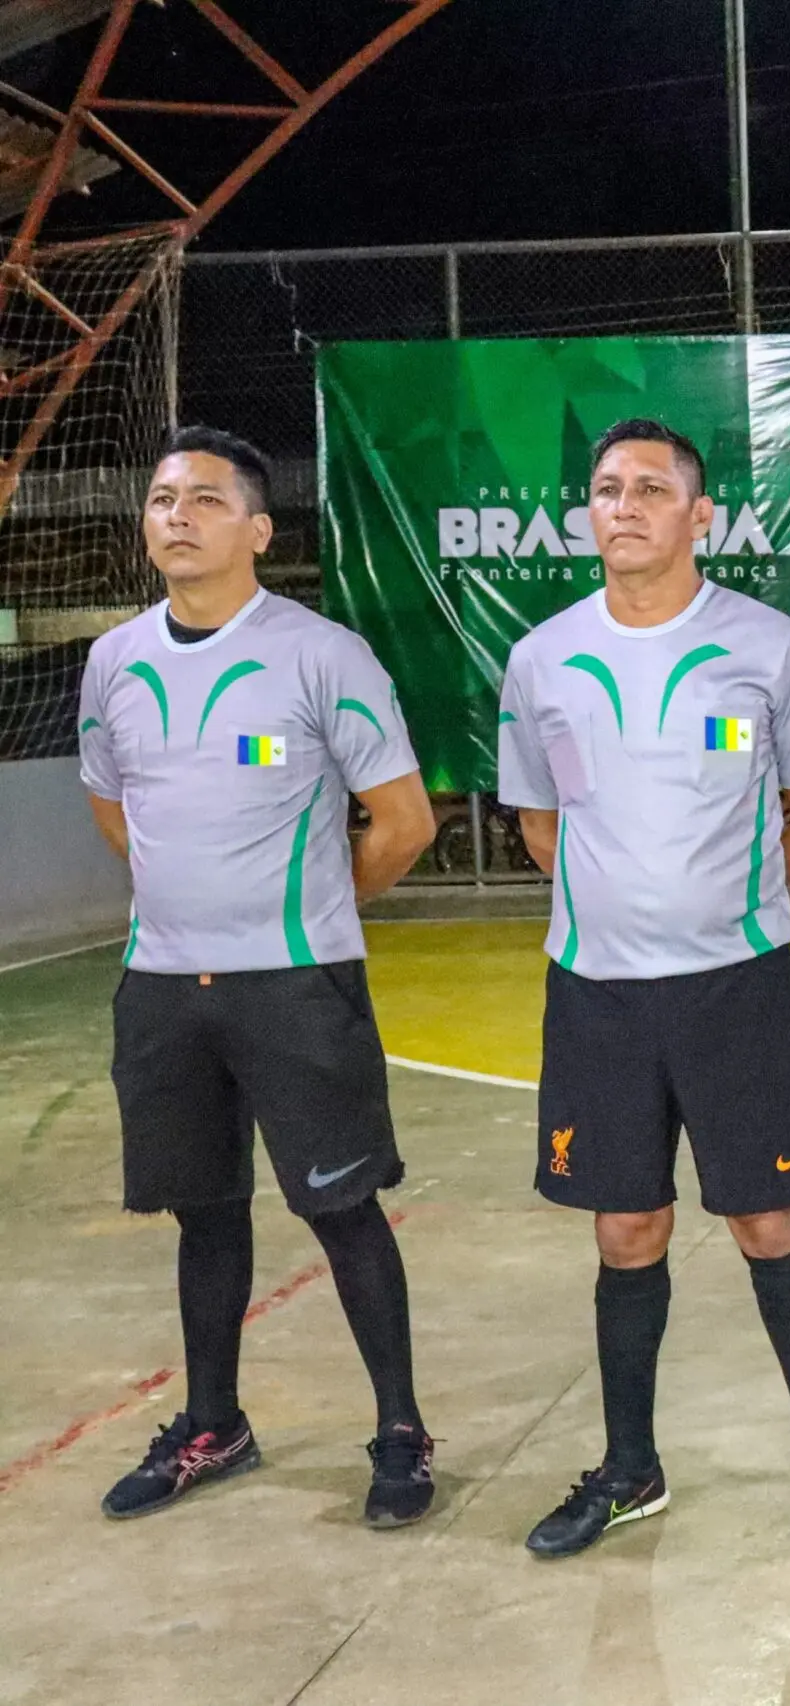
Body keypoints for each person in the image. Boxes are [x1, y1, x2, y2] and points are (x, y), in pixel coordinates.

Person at [497, 419, 790, 1559]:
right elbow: (540, 826)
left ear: (700, 516)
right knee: (625, 1227)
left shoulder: (770, 646)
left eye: (652, 489)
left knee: (766, 1219)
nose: (625, 505)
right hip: (598, 994)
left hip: (736, 988)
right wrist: (623, 905)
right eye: (608, 488)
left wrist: (720, 899)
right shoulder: (543, 658)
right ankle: (630, 1468)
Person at [79, 427, 440, 1527]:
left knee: (342, 1208)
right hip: (161, 986)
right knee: (205, 1212)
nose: (177, 516)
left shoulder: (322, 654)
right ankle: (213, 1424)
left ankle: (401, 1432)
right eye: (161, 499)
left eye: (204, 499)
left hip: (294, 984)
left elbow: (403, 822)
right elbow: (115, 806)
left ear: (259, 530)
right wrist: (187, 904)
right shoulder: (114, 661)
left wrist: (312, 912)